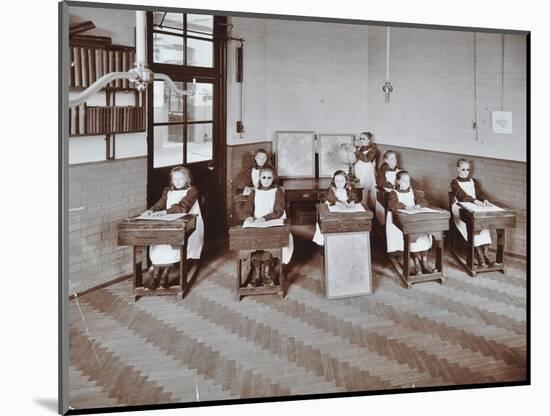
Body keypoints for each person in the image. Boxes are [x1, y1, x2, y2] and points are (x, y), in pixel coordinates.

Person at [142, 166, 204, 290]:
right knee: (158, 242)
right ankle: (156, 274)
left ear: (187, 179)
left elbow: (183, 206)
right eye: (175, 179)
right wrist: (152, 210)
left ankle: (165, 275)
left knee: (174, 241)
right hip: (169, 222)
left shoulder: (193, 191)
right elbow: (160, 203)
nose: (178, 181)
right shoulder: (168, 191)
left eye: (181, 179)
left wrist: (166, 212)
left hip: (189, 224)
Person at [242, 165, 294, 267]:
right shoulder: (255, 192)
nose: (266, 180)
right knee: (248, 238)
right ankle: (257, 265)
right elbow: (247, 208)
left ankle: (271, 265)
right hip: (257, 222)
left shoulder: (277, 191)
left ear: (273, 178)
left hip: (273, 220)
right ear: (260, 178)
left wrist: (264, 218)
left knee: (281, 238)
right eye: (264, 177)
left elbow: (278, 210)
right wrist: (248, 216)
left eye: (269, 178)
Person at [387, 171, 434, 275]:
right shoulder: (394, 193)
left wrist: (418, 205)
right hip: (401, 223)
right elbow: (392, 204)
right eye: (403, 181)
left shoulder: (413, 191)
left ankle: (425, 263)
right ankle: (417, 264)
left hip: (414, 220)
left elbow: (423, 201)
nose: (406, 183)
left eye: (408, 181)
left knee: (424, 236)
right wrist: (404, 206)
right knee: (412, 239)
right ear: (398, 181)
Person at [450, 158, 495, 267]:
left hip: (475, 205)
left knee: (483, 226)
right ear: (458, 169)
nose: (465, 172)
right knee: (472, 226)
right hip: (460, 206)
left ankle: (486, 256)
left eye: (467, 169)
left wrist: (484, 200)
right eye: (463, 169)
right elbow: (461, 195)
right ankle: (480, 258)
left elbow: (480, 193)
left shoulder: (473, 181)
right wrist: (474, 201)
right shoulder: (454, 182)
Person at [312, 170, 360, 246]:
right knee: (330, 225)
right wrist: (338, 203)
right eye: (337, 181)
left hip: (344, 213)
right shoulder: (332, 189)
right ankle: (330, 244)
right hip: (332, 211)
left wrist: (352, 201)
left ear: (346, 181)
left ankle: (346, 242)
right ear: (334, 181)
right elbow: (329, 197)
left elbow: (354, 197)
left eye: (342, 181)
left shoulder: (349, 189)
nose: (339, 183)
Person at [353, 131, 378, 208]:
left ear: (369, 140)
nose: (361, 140)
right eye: (360, 138)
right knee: (359, 187)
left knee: (364, 188)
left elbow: (367, 160)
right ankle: (359, 204)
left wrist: (356, 152)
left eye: (364, 139)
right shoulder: (360, 148)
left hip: (367, 172)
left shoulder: (372, 150)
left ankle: (364, 205)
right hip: (359, 172)